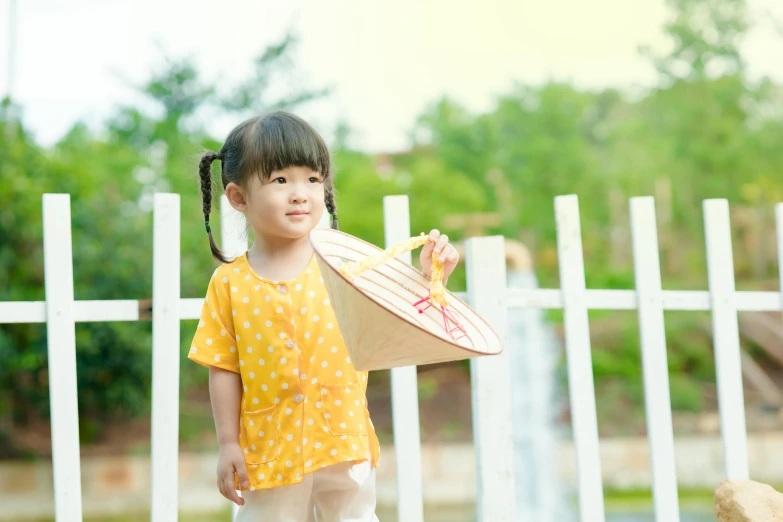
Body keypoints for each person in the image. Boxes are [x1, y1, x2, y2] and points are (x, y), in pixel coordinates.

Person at [187, 111, 459, 521]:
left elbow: (400, 318)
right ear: (238, 197)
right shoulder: (229, 283)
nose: (300, 193)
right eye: (280, 180)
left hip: (343, 436)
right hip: (269, 446)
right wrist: (228, 443)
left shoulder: (347, 268)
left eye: (313, 179)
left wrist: (430, 275)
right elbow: (223, 367)